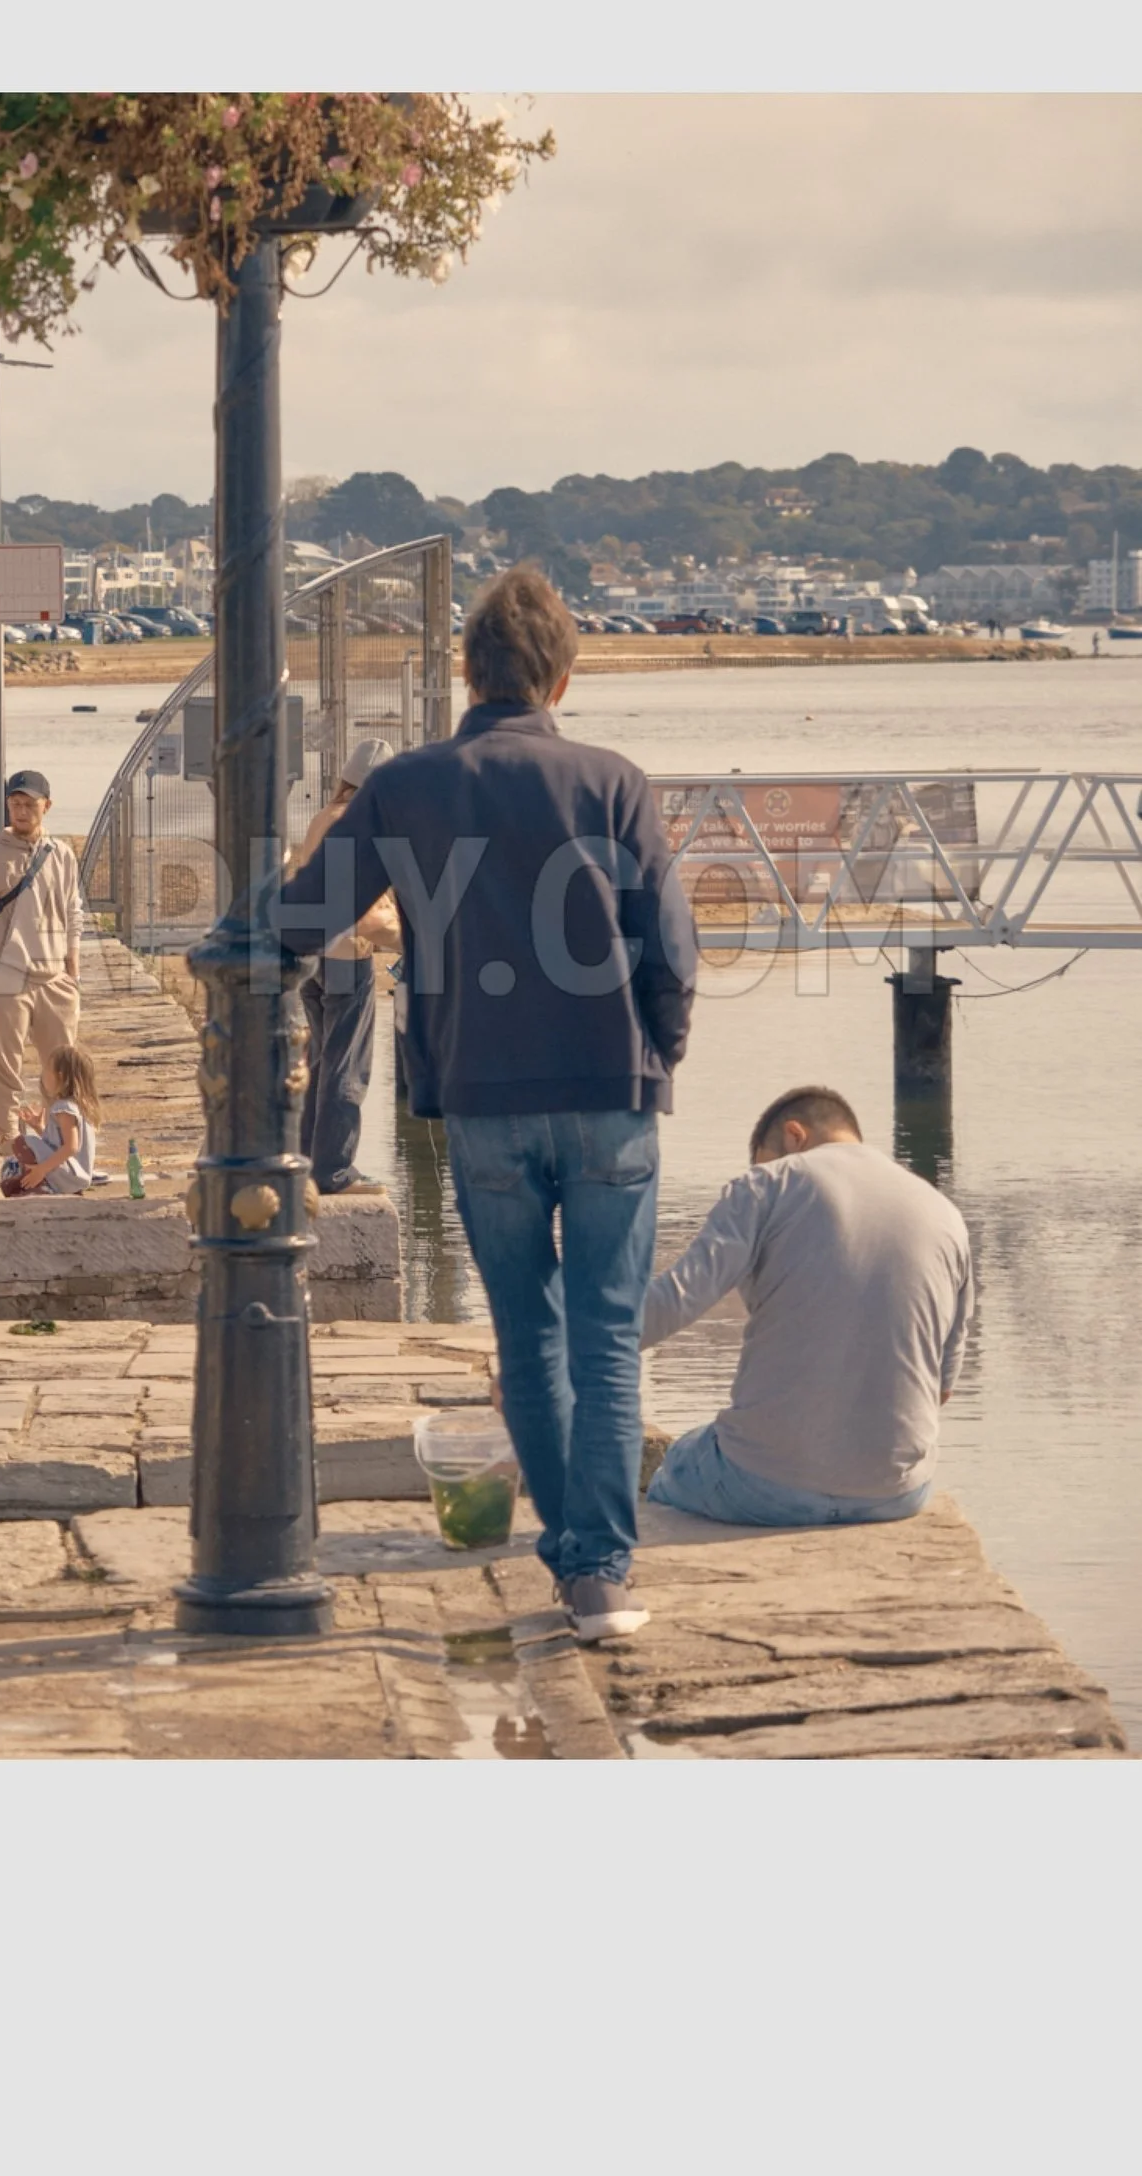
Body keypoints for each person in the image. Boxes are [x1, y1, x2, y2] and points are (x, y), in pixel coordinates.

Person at [278, 566, 697, 1642]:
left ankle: (575, 1558)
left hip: (481, 1098)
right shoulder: (613, 782)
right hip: (611, 1094)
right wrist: (657, 1054)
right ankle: (597, 1567)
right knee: (606, 1333)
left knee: (525, 1333)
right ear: (563, 674)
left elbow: (303, 917)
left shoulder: (409, 786)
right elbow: (675, 953)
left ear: (464, 673)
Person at [641, 1085, 973, 1527]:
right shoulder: (945, 1213)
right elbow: (941, 1390)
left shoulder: (768, 1184)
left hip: (763, 1489)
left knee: (676, 1464)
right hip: (896, 1494)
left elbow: (672, 1302)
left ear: (794, 1136)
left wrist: (556, 1345)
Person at [285, 736, 395, 1196]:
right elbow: (359, 910)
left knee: (320, 1062)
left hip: (311, 958)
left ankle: (310, 1164)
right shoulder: (359, 826)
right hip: (347, 959)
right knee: (348, 1067)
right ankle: (334, 1172)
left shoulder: (321, 819)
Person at [0, 769, 82, 1138]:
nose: (21, 812)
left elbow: (74, 910)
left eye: (30, 804)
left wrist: (73, 966)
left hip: (55, 978)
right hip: (6, 975)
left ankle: (63, 1146)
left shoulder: (62, 855)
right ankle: (13, 1151)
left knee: (63, 1070)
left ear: (47, 806)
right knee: (5, 1074)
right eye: (15, 804)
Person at [1, 1042, 101, 1197]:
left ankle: (43, 1185)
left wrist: (42, 1170)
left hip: (69, 1174)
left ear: (60, 1076)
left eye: (47, 1070)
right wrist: (40, 1128)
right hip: (74, 1174)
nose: (43, 1075)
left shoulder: (64, 1108)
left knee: (22, 1143)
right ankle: (45, 1183)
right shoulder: (79, 1106)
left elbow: (71, 1147)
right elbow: (59, 1144)